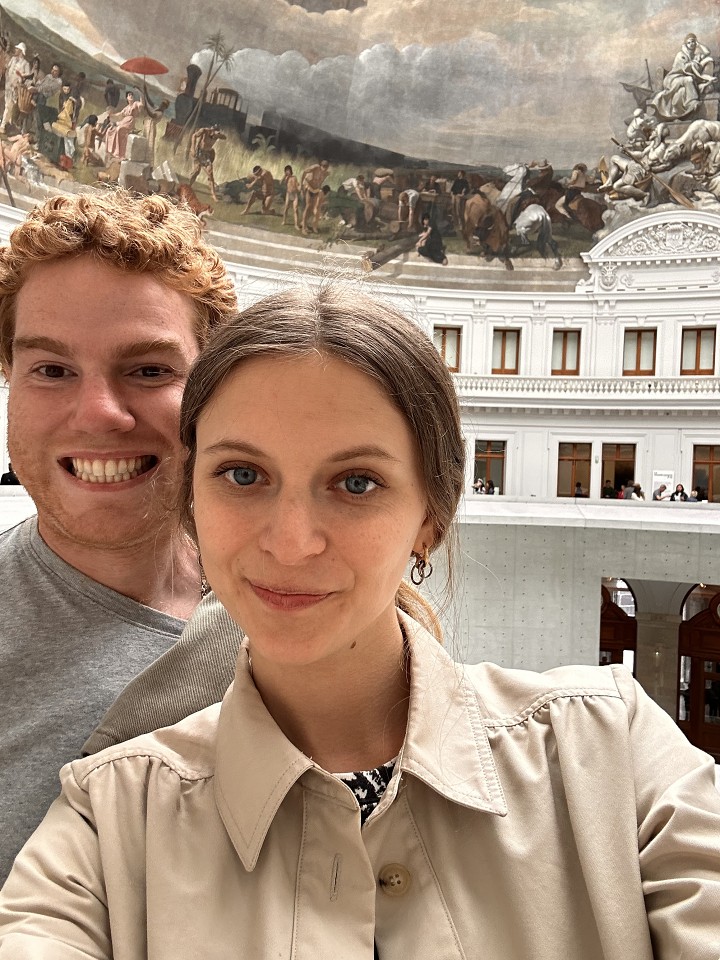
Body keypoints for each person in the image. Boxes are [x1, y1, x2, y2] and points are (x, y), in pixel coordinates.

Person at [1, 281, 718, 956]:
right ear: (192, 497)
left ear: (431, 516)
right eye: (243, 475)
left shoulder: (613, 751)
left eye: (356, 483)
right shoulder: (107, 819)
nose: (291, 542)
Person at [0, 191, 241, 882]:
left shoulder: (305, 605)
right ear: (9, 379)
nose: (99, 413)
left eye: (149, 370)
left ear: (214, 388)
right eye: (52, 370)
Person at [651, 34, 715, 121]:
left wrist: (699, 45)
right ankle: (692, 102)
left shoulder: (696, 56)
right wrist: (693, 64)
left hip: (684, 78)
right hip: (674, 78)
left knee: (688, 81)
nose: (691, 44)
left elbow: (707, 52)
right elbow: (683, 68)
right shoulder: (681, 54)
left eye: (693, 41)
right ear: (685, 44)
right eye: (689, 42)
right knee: (688, 79)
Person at [188, 124, 226, 202]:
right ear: (212, 130)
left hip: (206, 154)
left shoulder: (217, 136)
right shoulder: (205, 131)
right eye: (214, 131)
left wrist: (219, 135)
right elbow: (194, 136)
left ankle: (213, 195)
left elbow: (224, 137)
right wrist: (192, 148)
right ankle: (188, 186)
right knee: (196, 171)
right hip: (199, 152)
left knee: (210, 172)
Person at [104, 89, 143, 161]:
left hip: (130, 122)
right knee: (110, 130)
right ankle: (111, 151)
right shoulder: (126, 107)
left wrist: (141, 94)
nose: (131, 96)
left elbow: (141, 104)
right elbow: (120, 114)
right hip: (124, 121)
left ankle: (120, 154)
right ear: (127, 98)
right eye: (129, 95)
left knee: (119, 129)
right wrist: (112, 115)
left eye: (132, 95)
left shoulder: (135, 103)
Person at [300, 159, 330, 235]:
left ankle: (304, 223)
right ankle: (303, 228)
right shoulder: (315, 167)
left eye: (326, 167)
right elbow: (304, 171)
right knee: (308, 206)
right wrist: (301, 185)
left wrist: (318, 190)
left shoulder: (326, 173)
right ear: (320, 165)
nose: (324, 168)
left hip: (315, 189)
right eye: (323, 166)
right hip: (308, 187)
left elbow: (320, 182)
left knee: (312, 208)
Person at [281, 164, 300, 228]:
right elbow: (281, 182)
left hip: (295, 194)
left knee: (295, 209)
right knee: (286, 208)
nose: (288, 172)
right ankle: (284, 221)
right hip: (288, 194)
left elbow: (297, 185)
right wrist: (285, 176)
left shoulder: (294, 177)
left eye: (288, 170)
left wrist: (299, 188)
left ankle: (296, 224)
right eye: (286, 171)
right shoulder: (286, 178)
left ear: (291, 171)